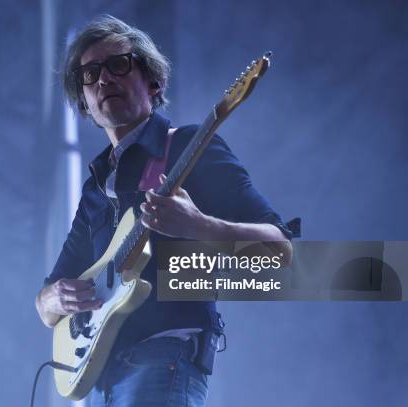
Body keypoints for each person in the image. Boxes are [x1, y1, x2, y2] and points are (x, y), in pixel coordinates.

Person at [35, 15, 293, 406]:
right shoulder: (96, 186)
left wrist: (201, 225)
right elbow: (49, 298)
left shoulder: (191, 147)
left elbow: (280, 250)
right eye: (90, 74)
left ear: (153, 82)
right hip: (102, 377)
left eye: (118, 65)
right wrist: (54, 299)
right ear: (84, 102)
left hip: (163, 361)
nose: (103, 79)